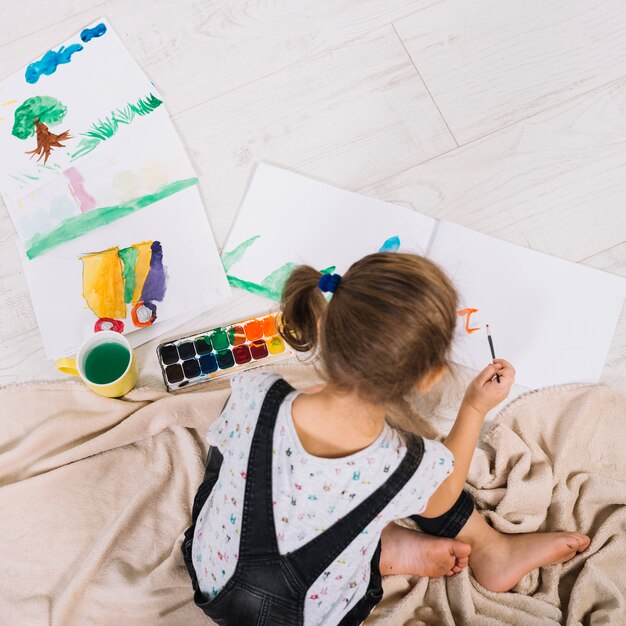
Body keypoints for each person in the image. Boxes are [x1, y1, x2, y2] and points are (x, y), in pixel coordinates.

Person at [182, 253, 590, 625]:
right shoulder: (408, 464)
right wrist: (473, 409)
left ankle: (381, 545)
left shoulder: (255, 390)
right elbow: (444, 495)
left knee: (231, 459)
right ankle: (389, 553)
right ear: (430, 378)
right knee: (400, 494)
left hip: (214, 580)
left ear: (324, 326)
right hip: (308, 616)